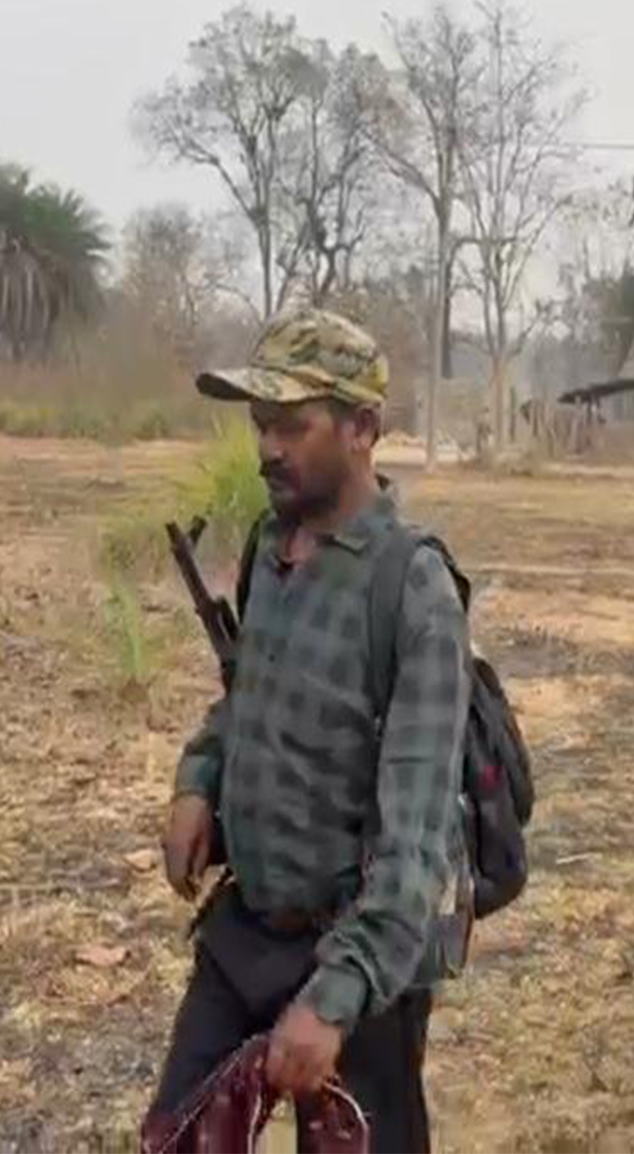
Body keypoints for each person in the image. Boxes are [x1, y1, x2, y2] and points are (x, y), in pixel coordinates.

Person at [149, 309, 472, 1152]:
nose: (268, 448)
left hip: (358, 961)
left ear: (363, 428)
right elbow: (245, 698)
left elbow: (417, 839)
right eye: (261, 424)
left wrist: (335, 999)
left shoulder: (414, 589)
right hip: (245, 931)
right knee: (177, 1136)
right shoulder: (271, 542)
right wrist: (199, 781)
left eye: (292, 425)